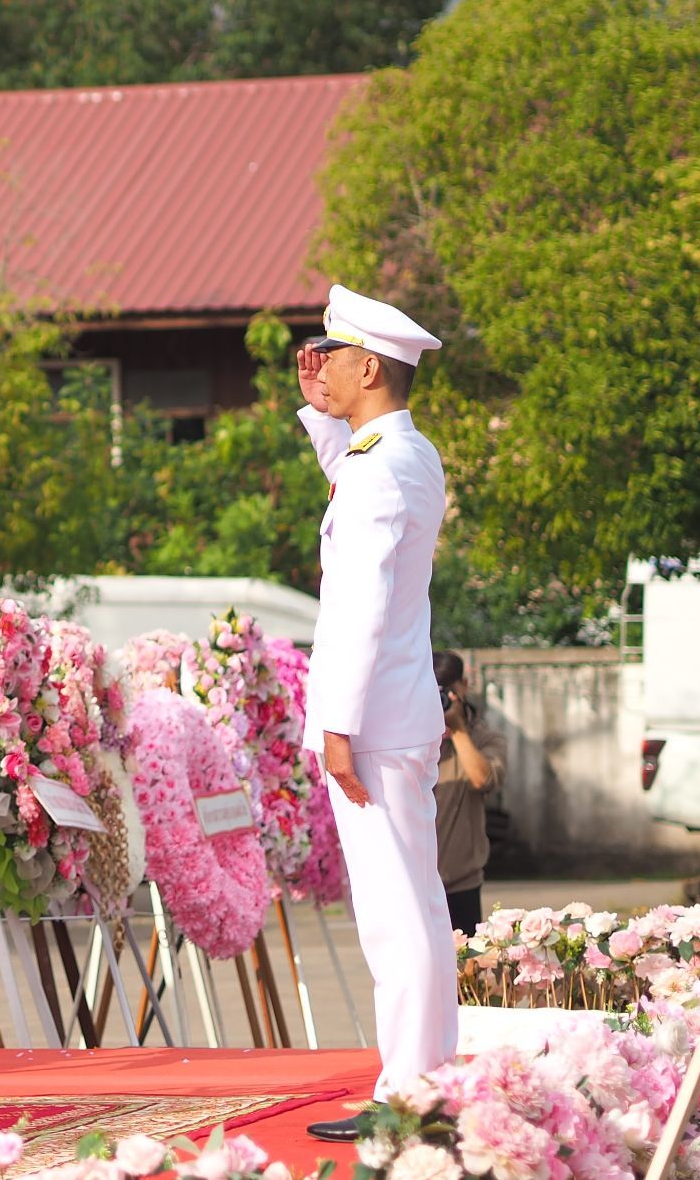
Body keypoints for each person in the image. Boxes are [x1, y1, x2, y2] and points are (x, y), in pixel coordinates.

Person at [293, 284, 456, 1143]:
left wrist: (337, 725)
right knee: (417, 904)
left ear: (367, 365)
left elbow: (356, 602)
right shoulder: (407, 454)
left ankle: (410, 1092)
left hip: (375, 720)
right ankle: (427, 1078)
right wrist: (321, 413)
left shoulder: (382, 469)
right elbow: (350, 478)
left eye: (333, 353)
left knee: (397, 913)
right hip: (398, 712)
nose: (321, 363)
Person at [433, 651, 502, 936]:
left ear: (464, 685)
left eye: (448, 689)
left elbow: (483, 779)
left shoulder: (484, 738)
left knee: (467, 975)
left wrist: (458, 730)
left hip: (461, 884)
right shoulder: (408, 737)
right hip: (413, 884)